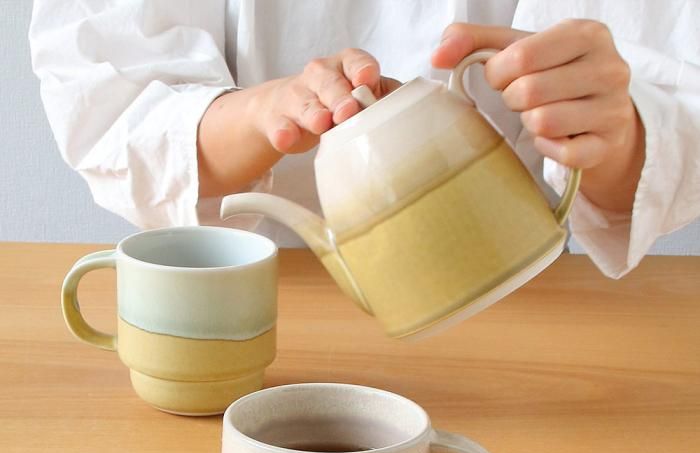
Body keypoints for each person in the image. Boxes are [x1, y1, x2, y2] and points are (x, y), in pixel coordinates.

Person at [30, 1, 699, 279]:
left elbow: (670, 97)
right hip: (265, 294)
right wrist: (263, 113)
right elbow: (109, 94)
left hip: (519, 298)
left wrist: (608, 130)